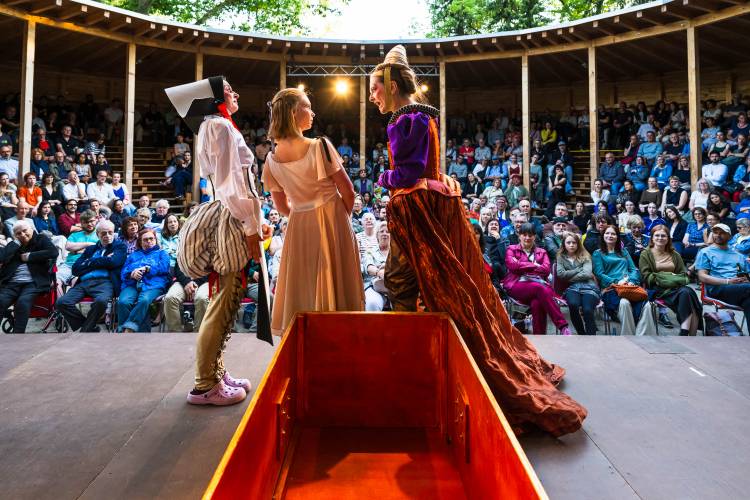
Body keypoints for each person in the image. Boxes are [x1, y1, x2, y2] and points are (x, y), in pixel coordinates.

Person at [369, 45, 585, 436]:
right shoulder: (419, 116)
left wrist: (382, 178)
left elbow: (407, 173)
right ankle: (421, 354)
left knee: (408, 282)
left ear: (392, 85)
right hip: (427, 207)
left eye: (375, 88)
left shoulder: (405, 120)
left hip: (417, 211)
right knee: (434, 284)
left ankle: (414, 360)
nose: (372, 96)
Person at [166, 76, 272, 406]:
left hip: (232, 214)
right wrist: (251, 226)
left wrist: (256, 220)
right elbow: (232, 184)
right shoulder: (219, 127)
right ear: (214, 98)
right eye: (227, 89)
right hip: (231, 218)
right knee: (225, 299)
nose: (235, 92)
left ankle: (215, 371)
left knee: (227, 297)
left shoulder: (217, 126)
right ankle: (205, 384)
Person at [262, 87, 364, 336]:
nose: (313, 112)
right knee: (337, 286)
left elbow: (281, 207)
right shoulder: (320, 146)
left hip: (299, 226)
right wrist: (339, 220)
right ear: (294, 113)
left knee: (304, 287)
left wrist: (302, 213)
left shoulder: (271, 160)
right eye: (307, 106)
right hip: (332, 220)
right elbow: (349, 192)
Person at [55, 220, 126, 333]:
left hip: (105, 283)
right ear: (97, 234)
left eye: (110, 232)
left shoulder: (119, 246)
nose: (107, 236)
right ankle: (89, 327)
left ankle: (85, 331)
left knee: (101, 302)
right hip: (84, 282)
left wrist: (89, 262)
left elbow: (114, 262)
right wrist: (102, 260)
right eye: (103, 233)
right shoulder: (90, 249)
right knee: (62, 302)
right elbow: (76, 269)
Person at [503, 223, 571, 336]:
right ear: (519, 236)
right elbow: (512, 266)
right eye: (524, 235)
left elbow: (546, 270)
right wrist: (534, 265)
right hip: (516, 285)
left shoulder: (541, 251)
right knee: (539, 288)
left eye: (530, 235)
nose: (527, 238)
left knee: (537, 303)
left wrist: (521, 265)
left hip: (538, 285)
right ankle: (563, 326)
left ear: (534, 237)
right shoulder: (511, 249)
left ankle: (539, 338)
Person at [639, 225, 702, 336]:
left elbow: (683, 275)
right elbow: (647, 277)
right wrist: (670, 276)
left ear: (668, 238)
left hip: (676, 287)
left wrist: (662, 276)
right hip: (658, 289)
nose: (660, 238)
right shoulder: (646, 254)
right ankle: (690, 335)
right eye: (657, 235)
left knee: (688, 293)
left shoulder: (675, 254)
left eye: (663, 236)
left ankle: (685, 332)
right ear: (652, 238)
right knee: (687, 294)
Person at [592, 225, 655, 335]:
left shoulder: (623, 251)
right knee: (624, 303)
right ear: (602, 236)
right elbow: (599, 274)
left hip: (629, 286)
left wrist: (632, 281)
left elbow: (633, 269)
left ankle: (644, 337)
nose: (610, 236)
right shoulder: (598, 253)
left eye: (613, 234)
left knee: (646, 305)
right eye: (607, 233)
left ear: (617, 237)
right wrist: (617, 282)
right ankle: (628, 336)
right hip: (611, 288)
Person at [0, 221, 57, 333]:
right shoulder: (14, 244)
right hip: (12, 282)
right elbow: (1, 257)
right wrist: (16, 243)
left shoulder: (40, 239)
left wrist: (30, 256)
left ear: (31, 229)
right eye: (18, 233)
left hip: (34, 282)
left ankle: (18, 335)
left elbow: (53, 252)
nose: (22, 234)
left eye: (24, 231)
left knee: (23, 302)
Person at [696, 223, 750, 326]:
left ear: (729, 236)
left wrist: (747, 279)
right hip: (717, 288)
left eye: (722, 233)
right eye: (715, 233)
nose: (718, 235)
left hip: (740, 289)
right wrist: (728, 281)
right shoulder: (705, 252)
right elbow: (702, 276)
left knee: (749, 302)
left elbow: (746, 274)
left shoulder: (738, 255)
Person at [117, 228, 170, 333]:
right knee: (123, 302)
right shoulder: (133, 255)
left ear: (155, 240)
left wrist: (148, 268)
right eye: (145, 240)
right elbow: (123, 272)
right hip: (132, 284)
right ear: (140, 242)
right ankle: (129, 330)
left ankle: (127, 329)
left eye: (151, 239)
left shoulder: (162, 253)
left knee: (144, 300)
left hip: (154, 285)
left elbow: (164, 268)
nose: (149, 241)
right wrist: (131, 274)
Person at [556, 231, 600, 336]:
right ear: (564, 244)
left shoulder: (585, 255)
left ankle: (591, 336)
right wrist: (578, 270)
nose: (571, 245)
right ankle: (581, 334)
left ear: (578, 244)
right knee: (573, 305)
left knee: (587, 309)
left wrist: (569, 278)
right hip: (572, 288)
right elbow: (560, 274)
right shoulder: (560, 257)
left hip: (589, 287)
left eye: (574, 242)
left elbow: (587, 274)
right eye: (568, 242)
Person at [163, 261, 209, 333]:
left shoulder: (210, 253)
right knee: (170, 298)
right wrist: (187, 283)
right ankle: (175, 333)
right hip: (183, 281)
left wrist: (194, 284)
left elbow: (211, 271)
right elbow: (178, 269)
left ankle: (199, 333)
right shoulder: (182, 253)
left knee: (202, 298)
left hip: (205, 282)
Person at [362, 221, 390, 311]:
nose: (384, 234)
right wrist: (379, 272)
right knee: (372, 303)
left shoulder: (397, 253)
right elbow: (369, 267)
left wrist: (385, 267)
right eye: (381, 231)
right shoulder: (370, 252)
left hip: (395, 287)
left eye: (387, 231)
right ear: (377, 235)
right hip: (374, 287)